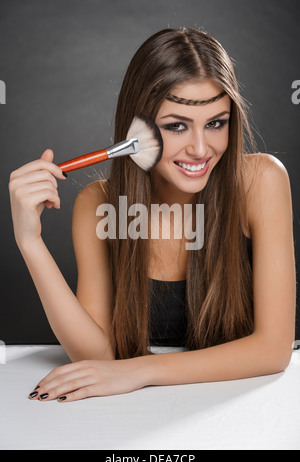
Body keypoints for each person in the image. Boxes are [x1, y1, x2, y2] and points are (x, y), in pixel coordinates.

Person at [9, 28, 296, 402]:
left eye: (216, 123)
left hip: (242, 409)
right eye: (177, 126)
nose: (199, 148)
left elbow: (273, 350)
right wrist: (30, 242)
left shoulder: (261, 182)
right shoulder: (98, 205)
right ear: (138, 128)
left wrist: (141, 371)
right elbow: (95, 359)